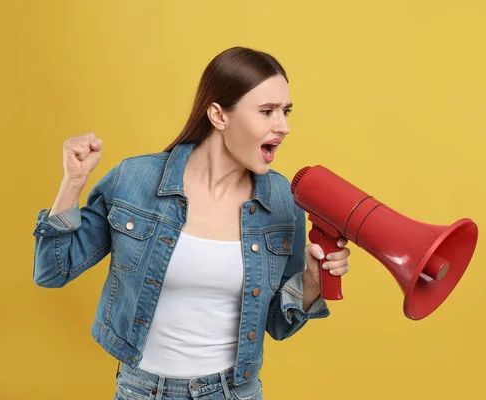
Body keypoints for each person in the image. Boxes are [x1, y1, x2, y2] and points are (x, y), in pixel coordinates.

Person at [32, 46, 352, 400]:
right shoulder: (135, 180)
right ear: (218, 115)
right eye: (267, 112)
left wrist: (310, 280)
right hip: (142, 391)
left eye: (286, 111)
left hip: (234, 392)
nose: (284, 127)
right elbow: (51, 272)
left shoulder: (282, 200)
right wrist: (73, 182)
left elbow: (277, 324)